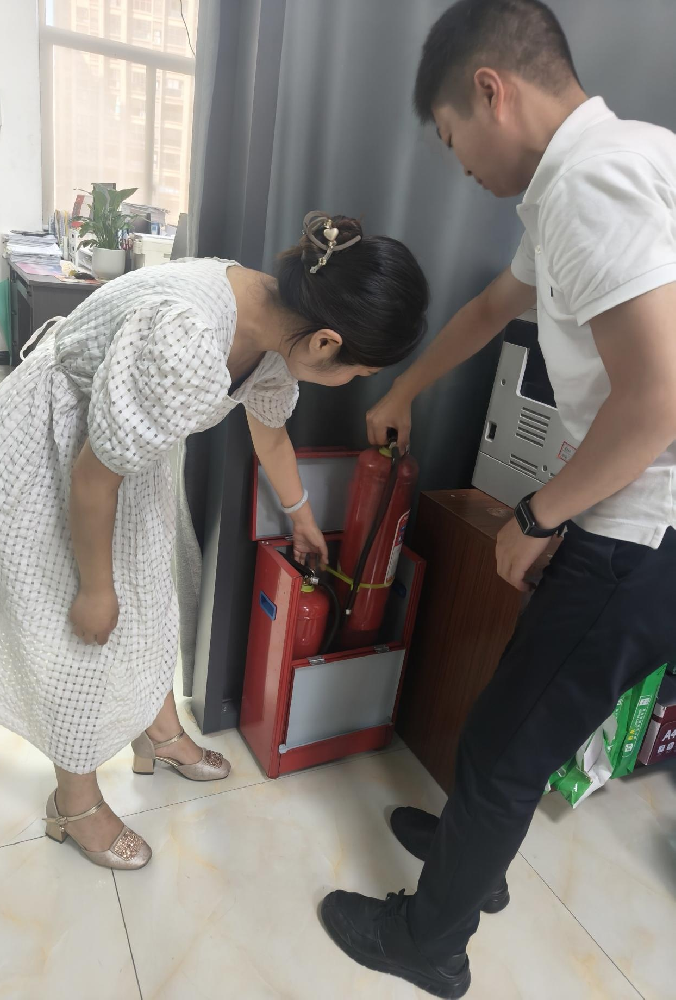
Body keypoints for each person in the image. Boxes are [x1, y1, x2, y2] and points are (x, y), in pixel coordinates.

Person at [320, 1, 676, 996]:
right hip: (630, 509)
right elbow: (490, 307)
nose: (459, 165)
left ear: (491, 91)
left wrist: (537, 515)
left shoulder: (592, 184)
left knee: (506, 744)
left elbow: (657, 400)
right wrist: (403, 391)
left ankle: (429, 941)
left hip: (640, 527)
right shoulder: (610, 163)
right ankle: (469, 860)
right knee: (513, 722)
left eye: (450, 138)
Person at [0, 212, 428, 870]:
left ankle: (160, 732)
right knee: (84, 631)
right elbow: (91, 479)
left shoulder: (278, 321)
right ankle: (74, 803)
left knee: (150, 597)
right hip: (53, 444)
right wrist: (95, 589)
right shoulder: (189, 336)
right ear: (325, 343)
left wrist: (301, 515)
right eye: (358, 372)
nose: (354, 382)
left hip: (115, 453)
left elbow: (269, 428)